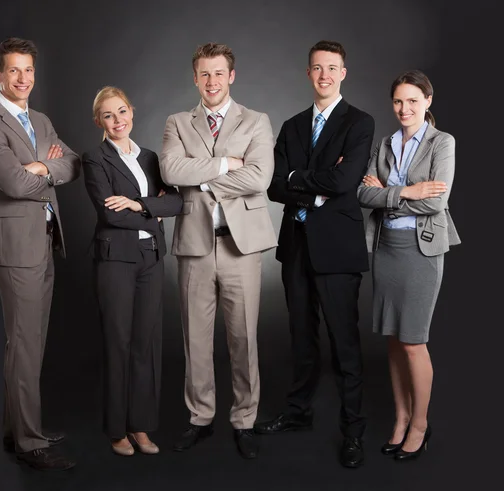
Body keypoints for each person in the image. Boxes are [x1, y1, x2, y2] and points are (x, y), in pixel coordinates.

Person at [257, 40, 374, 468]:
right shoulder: (291, 125)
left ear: (343, 72)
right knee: (301, 338)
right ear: (308, 74)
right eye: (317, 68)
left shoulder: (360, 122)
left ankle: (353, 430)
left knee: (345, 343)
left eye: (332, 68)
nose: (324, 75)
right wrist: (313, 183)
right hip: (297, 247)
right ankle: (297, 413)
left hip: (338, 251)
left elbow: (345, 180)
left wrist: (297, 178)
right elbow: (273, 185)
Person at [0, 37, 80, 470]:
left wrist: (42, 166)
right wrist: (45, 170)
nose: (23, 79)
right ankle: (31, 443)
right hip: (16, 247)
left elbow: (73, 162)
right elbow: (13, 184)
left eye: (28, 70)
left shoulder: (41, 120)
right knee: (25, 343)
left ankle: (17, 429)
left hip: (44, 240)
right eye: (13, 70)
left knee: (28, 341)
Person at [159, 42, 277, 459]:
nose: (211, 81)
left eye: (218, 73)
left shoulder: (256, 120)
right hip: (194, 246)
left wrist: (202, 179)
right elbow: (171, 170)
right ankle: (200, 417)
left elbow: (261, 176)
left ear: (232, 76)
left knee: (244, 339)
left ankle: (244, 419)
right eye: (204, 74)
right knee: (195, 338)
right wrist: (228, 165)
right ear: (195, 78)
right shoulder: (177, 121)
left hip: (240, 248)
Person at [358, 70, 460, 461]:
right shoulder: (385, 144)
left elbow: (436, 202)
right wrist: (406, 191)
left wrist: (388, 193)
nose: (405, 108)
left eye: (413, 101)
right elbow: (363, 194)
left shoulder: (441, 143)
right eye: (399, 101)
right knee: (393, 340)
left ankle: (420, 425)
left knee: (414, 342)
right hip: (386, 247)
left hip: (422, 250)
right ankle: (400, 420)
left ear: (428, 101)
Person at [82, 86, 183, 457]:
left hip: (150, 256)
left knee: (146, 344)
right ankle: (116, 429)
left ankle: (141, 425)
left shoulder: (151, 157)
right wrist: (150, 209)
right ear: (99, 122)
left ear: (132, 112)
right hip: (115, 259)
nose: (117, 120)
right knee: (118, 342)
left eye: (122, 111)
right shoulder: (95, 159)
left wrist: (138, 203)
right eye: (108, 115)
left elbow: (176, 202)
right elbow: (109, 213)